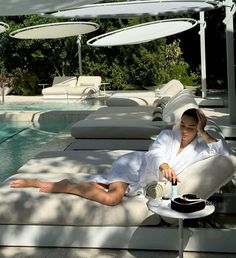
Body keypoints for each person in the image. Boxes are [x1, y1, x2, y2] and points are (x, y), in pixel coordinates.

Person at [10, 108, 230, 206]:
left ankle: (86, 184)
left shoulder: (200, 147)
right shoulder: (167, 135)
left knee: (108, 192)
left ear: (199, 129)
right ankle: (63, 185)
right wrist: (163, 165)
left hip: (141, 177)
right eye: (182, 125)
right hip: (132, 165)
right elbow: (155, 152)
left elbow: (225, 152)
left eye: (190, 128)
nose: (184, 131)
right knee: (112, 198)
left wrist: (202, 131)